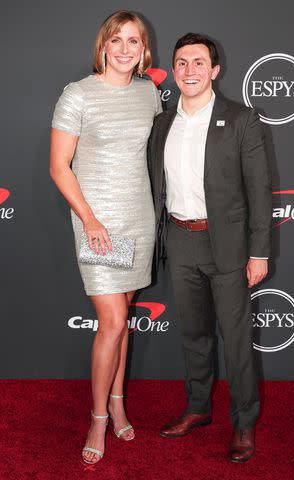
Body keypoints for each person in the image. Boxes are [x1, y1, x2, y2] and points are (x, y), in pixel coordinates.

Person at [148, 33, 271, 462]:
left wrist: (259, 252)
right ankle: (198, 407)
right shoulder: (162, 122)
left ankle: (243, 423)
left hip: (229, 245)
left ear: (214, 70)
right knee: (193, 334)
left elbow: (259, 191)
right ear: (174, 70)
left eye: (198, 62)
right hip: (180, 239)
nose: (189, 70)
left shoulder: (241, 119)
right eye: (181, 63)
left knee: (236, 338)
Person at [50, 10, 162, 464]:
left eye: (133, 42)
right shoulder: (77, 94)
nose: (124, 49)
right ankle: (98, 416)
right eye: (116, 40)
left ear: (143, 51)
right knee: (112, 322)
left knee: (124, 318)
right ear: (103, 46)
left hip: (137, 216)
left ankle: (118, 403)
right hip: (96, 220)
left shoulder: (148, 93)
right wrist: (91, 220)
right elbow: (59, 167)